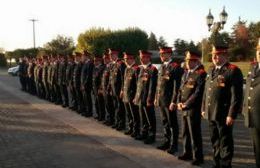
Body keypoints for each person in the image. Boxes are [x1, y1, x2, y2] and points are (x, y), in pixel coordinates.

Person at [201, 44, 243, 168]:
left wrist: (231, 114)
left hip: (224, 112)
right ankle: (217, 162)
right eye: (213, 55)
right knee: (215, 139)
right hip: (211, 111)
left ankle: (225, 164)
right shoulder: (211, 69)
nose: (214, 57)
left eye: (217, 55)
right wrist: (203, 108)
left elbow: (236, 95)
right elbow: (206, 91)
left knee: (225, 140)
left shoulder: (233, 70)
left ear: (225, 55)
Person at [177, 50, 206, 166]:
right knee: (185, 132)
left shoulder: (201, 74)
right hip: (184, 107)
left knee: (194, 133)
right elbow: (181, 89)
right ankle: (187, 152)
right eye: (187, 60)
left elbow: (198, 93)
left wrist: (186, 104)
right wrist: (179, 101)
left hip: (193, 108)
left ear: (197, 61)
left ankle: (198, 157)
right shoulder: (186, 73)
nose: (189, 63)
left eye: (192, 61)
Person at [155, 47, 183, 154]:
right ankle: (166, 142)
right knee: (165, 122)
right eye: (160, 54)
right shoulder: (162, 67)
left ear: (169, 54)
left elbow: (177, 87)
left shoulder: (175, 67)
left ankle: (173, 145)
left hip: (169, 100)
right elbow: (159, 85)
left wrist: (174, 101)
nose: (161, 56)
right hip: (162, 99)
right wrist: (156, 98)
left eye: (163, 54)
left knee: (172, 123)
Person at [243, 37, 260, 168]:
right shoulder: (253, 68)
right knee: (257, 150)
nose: (259, 53)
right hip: (254, 118)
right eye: (258, 49)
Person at [134, 50, 158, 144]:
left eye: (143, 57)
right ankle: (144, 133)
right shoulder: (140, 68)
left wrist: (150, 98)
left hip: (147, 98)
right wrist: (136, 96)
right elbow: (138, 84)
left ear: (148, 58)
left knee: (150, 118)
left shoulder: (153, 69)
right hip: (140, 97)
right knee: (142, 116)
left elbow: (152, 86)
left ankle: (151, 136)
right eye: (140, 57)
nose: (141, 59)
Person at [120, 52, 140, 137]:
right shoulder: (126, 69)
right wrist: (121, 90)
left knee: (134, 114)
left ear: (132, 59)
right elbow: (123, 81)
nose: (126, 61)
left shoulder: (136, 69)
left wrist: (136, 96)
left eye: (127, 59)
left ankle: (136, 130)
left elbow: (137, 85)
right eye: (125, 59)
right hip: (126, 94)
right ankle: (130, 128)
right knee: (128, 113)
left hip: (132, 95)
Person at [108, 49, 126, 130]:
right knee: (116, 107)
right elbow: (110, 78)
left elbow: (123, 78)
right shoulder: (112, 64)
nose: (110, 56)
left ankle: (121, 124)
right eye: (110, 55)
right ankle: (117, 122)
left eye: (112, 55)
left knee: (120, 107)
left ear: (116, 55)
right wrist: (110, 88)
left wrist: (122, 89)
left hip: (119, 90)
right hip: (114, 89)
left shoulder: (121, 64)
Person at [101, 53, 115, 126]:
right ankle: (108, 118)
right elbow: (103, 79)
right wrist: (101, 88)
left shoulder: (111, 66)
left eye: (105, 58)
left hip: (109, 89)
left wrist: (108, 89)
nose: (104, 60)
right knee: (107, 105)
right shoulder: (105, 67)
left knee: (110, 106)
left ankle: (111, 120)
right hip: (105, 89)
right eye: (103, 58)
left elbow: (110, 79)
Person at [81, 51, 94, 117]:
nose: (82, 57)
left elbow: (88, 76)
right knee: (85, 98)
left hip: (87, 85)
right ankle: (86, 111)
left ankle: (89, 112)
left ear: (86, 56)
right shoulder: (85, 63)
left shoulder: (89, 63)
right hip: (83, 84)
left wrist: (84, 84)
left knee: (88, 98)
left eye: (83, 56)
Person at [92, 56, 106, 121]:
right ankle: (98, 115)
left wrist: (100, 88)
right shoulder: (95, 68)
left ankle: (102, 116)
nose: (94, 62)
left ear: (99, 61)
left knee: (100, 103)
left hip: (99, 89)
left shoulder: (102, 68)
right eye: (94, 61)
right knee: (96, 103)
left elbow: (101, 79)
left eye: (96, 61)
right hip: (95, 88)